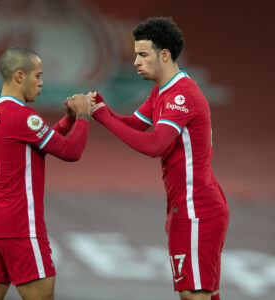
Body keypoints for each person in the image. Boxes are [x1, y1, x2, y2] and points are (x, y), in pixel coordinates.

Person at [91, 17, 229, 300]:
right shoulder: (162, 91)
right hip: (190, 206)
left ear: (164, 55)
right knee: (205, 293)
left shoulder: (182, 95)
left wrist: (100, 114)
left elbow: (155, 144)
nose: (136, 62)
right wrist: (101, 107)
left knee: (193, 294)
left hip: (196, 208)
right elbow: (135, 125)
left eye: (143, 54)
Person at [0, 46, 93, 300]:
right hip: (21, 228)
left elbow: (38, 143)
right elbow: (71, 152)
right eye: (37, 76)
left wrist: (68, 120)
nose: (41, 83)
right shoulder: (21, 116)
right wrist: (83, 116)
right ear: (19, 76)